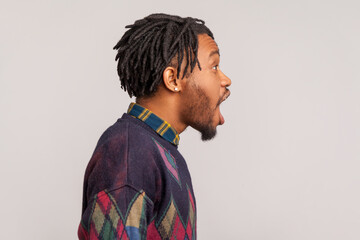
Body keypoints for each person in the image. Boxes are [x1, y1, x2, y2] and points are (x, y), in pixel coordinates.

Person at [78, 13, 231, 240]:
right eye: (214, 66)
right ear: (173, 79)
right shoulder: (130, 152)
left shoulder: (162, 153)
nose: (225, 80)